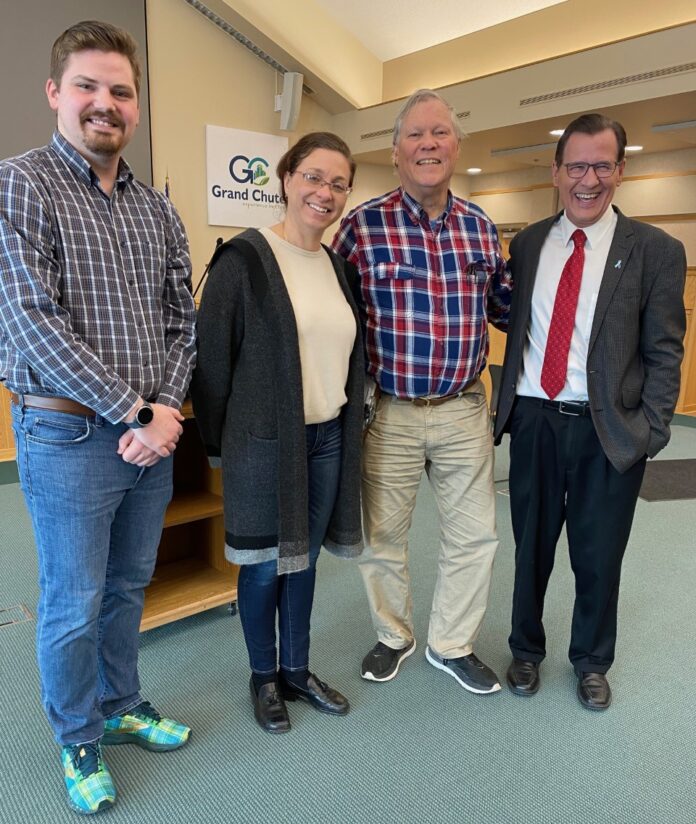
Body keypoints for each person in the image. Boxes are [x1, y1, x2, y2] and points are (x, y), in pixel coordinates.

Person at [0, 21, 197, 814]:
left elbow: (184, 321)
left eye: (120, 90)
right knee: (73, 599)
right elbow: (29, 321)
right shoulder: (21, 184)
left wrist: (170, 409)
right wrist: (139, 409)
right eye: (86, 85)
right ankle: (78, 734)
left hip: (152, 439)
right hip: (69, 434)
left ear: (137, 106)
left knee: (126, 588)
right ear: (55, 93)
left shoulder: (157, 210)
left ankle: (121, 706)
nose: (103, 103)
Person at [494, 113, 686, 710]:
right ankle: (525, 649)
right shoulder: (525, 244)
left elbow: (665, 347)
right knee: (530, 548)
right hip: (535, 421)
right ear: (555, 172)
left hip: (611, 430)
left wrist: (650, 432)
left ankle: (592, 660)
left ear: (621, 171)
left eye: (602, 165)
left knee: (599, 555)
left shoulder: (656, 250)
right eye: (576, 165)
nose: (588, 178)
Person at [332, 89, 511, 694]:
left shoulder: (481, 227)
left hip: (463, 409)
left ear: (457, 146)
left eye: (439, 133)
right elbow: (336, 317)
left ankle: (451, 644)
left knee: (475, 537)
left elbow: (507, 308)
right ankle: (393, 636)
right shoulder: (361, 226)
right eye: (415, 135)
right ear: (396, 149)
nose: (428, 144)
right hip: (390, 412)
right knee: (382, 537)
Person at [191, 132, 363, 735]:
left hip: (328, 441)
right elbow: (210, 366)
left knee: (305, 561)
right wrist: (220, 448)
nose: (325, 192)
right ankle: (263, 677)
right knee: (265, 565)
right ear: (286, 178)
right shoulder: (243, 260)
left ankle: (297, 670)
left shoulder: (339, 268)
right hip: (263, 446)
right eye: (314, 177)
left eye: (339, 183)